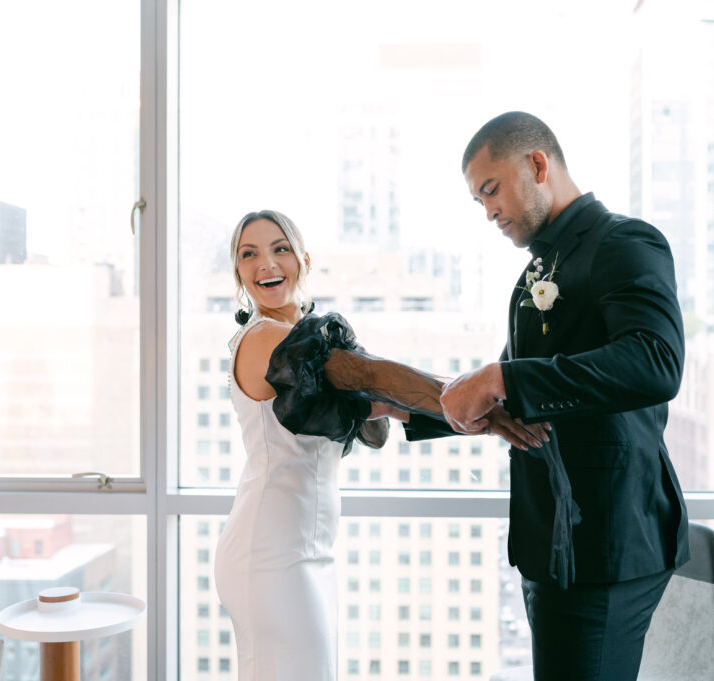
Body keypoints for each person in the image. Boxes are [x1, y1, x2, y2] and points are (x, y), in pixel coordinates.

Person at [213, 209, 542, 681]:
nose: (266, 263)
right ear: (239, 273)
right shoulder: (264, 338)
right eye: (250, 254)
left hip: (302, 549)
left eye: (279, 248)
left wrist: (484, 419)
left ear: (304, 259)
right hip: (270, 553)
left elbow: (385, 406)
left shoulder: (302, 348)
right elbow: (369, 376)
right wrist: (479, 399)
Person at [426, 112, 690, 680]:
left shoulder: (624, 242)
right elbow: (512, 387)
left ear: (537, 165)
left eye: (491, 189)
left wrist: (502, 380)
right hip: (552, 543)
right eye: (478, 201)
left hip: (606, 540)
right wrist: (389, 402)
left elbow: (656, 362)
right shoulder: (537, 273)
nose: (489, 211)